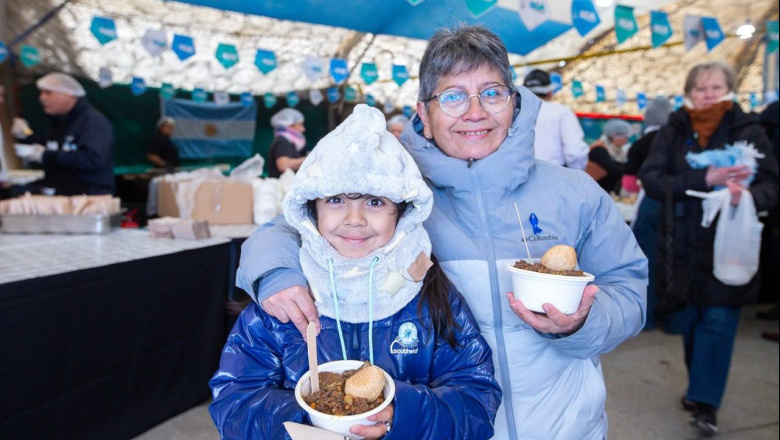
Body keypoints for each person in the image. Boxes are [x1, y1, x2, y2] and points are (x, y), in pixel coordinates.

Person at [237, 25, 647, 440]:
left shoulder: (573, 191)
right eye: (452, 96)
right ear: (424, 113)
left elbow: (629, 288)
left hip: (565, 426)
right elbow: (289, 228)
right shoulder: (398, 194)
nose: (475, 112)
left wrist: (580, 324)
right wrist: (276, 276)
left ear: (514, 103)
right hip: (444, 426)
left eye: (492, 93)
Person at [209, 104, 501, 440]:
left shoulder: (430, 295)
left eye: (375, 202)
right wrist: (305, 424)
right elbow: (233, 401)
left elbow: (477, 399)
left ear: (401, 213)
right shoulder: (283, 300)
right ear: (311, 208)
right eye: (335, 200)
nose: (354, 219)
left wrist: (403, 417)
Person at [638, 61, 779, 436]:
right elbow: (651, 180)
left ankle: (706, 404)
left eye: (716, 87)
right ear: (688, 93)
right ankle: (700, 388)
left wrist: (746, 196)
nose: (709, 94)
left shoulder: (748, 129)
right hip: (681, 245)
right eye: (700, 88)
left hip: (729, 244)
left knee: (718, 319)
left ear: (730, 90)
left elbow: (771, 186)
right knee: (691, 321)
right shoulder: (673, 130)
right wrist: (705, 177)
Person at [11, 72, 115, 195]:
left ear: (68, 94)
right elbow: (52, 145)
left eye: (48, 93)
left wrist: (45, 155)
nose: (42, 98)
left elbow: (92, 160)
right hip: (62, 196)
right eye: (41, 93)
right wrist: (27, 137)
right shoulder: (61, 121)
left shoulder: (92, 122)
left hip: (88, 200)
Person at [622, 97, 673, 330]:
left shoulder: (640, 144)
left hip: (650, 205)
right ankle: (676, 321)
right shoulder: (680, 141)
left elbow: (629, 185)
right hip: (679, 207)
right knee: (676, 262)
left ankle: (648, 319)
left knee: (648, 261)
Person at [523, 69, 589, 169]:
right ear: (550, 92)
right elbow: (575, 152)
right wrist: (575, 174)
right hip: (554, 174)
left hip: (519, 178)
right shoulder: (561, 112)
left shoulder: (512, 113)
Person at [586, 118, 632, 193]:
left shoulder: (616, 150)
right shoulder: (599, 149)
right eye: (625, 138)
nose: (626, 141)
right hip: (595, 191)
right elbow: (613, 170)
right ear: (615, 136)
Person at [267, 108, 307, 178]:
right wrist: (309, 159)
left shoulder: (289, 142)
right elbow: (283, 165)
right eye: (300, 125)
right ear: (290, 125)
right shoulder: (283, 142)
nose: (303, 129)